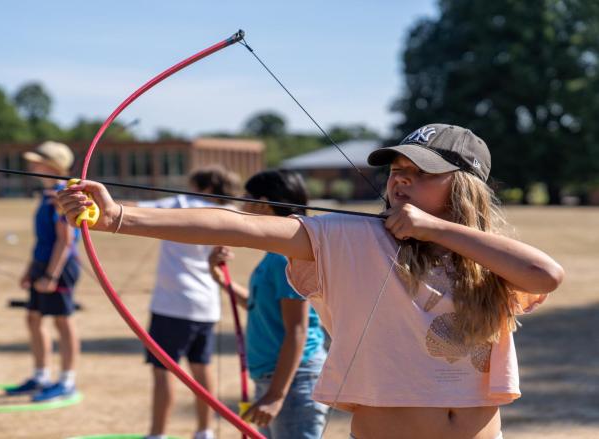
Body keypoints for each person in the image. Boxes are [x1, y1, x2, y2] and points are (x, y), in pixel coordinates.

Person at [56, 124, 564, 439]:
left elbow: (547, 274)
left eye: (422, 172)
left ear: (466, 186)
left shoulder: (485, 263)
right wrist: (119, 216)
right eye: (396, 170)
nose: (400, 179)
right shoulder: (352, 237)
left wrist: (435, 229)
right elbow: (244, 227)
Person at [207, 170, 328, 439]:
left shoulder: (286, 257)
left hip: (293, 380)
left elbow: (297, 329)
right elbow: (259, 307)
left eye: (245, 198)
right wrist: (220, 279)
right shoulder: (276, 253)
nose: (241, 205)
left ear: (262, 203)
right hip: (275, 378)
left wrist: (275, 395)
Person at [129, 165, 240, 439]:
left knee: (163, 370)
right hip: (206, 305)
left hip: (173, 305)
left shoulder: (181, 204)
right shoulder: (228, 213)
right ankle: (204, 432)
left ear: (206, 188)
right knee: (202, 368)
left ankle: (157, 434)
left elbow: (135, 208)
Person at [7, 141, 81, 402]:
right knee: (34, 319)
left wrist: (51, 275)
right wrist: (31, 269)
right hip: (43, 265)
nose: (32, 166)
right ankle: (40, 376)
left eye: (37, 161)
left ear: (52, 166)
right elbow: (43, 239)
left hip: (59, 267)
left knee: (63, 322)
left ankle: (67, 381)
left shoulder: (63, 195)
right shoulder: (48, 194)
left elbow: (66, 240)